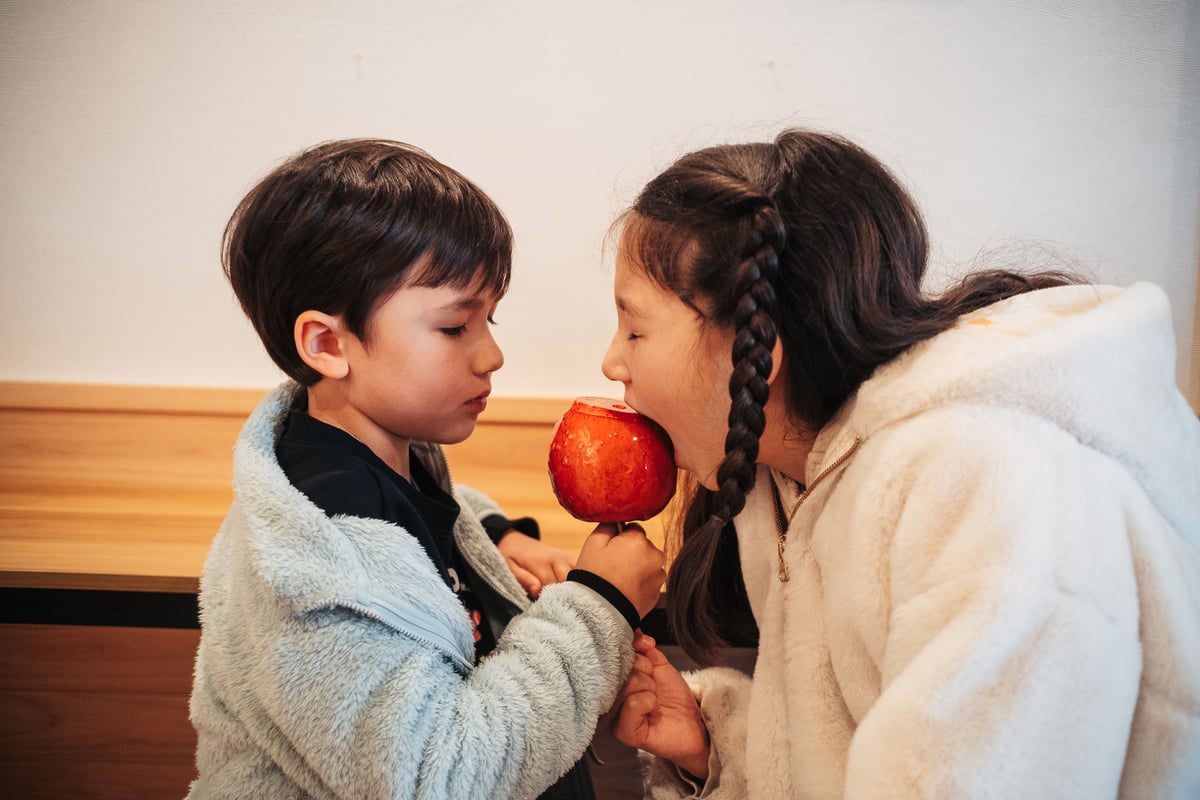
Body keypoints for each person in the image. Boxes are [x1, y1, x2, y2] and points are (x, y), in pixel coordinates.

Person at [602, 128, 1200, 798]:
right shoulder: (788, 478)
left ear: (754, 351)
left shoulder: (983, 485)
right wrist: (713, 748)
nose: (612, 362)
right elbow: (848, 746)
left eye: (635, 329)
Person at [187, 138, 666, 800]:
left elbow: (427, 518)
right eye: (454, 327)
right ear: (327, 343)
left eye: (489, 319)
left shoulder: (370, 458)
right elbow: (441, 776)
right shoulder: (321, 570)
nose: (492, 355)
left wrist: (495, 534)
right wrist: (599, 607)